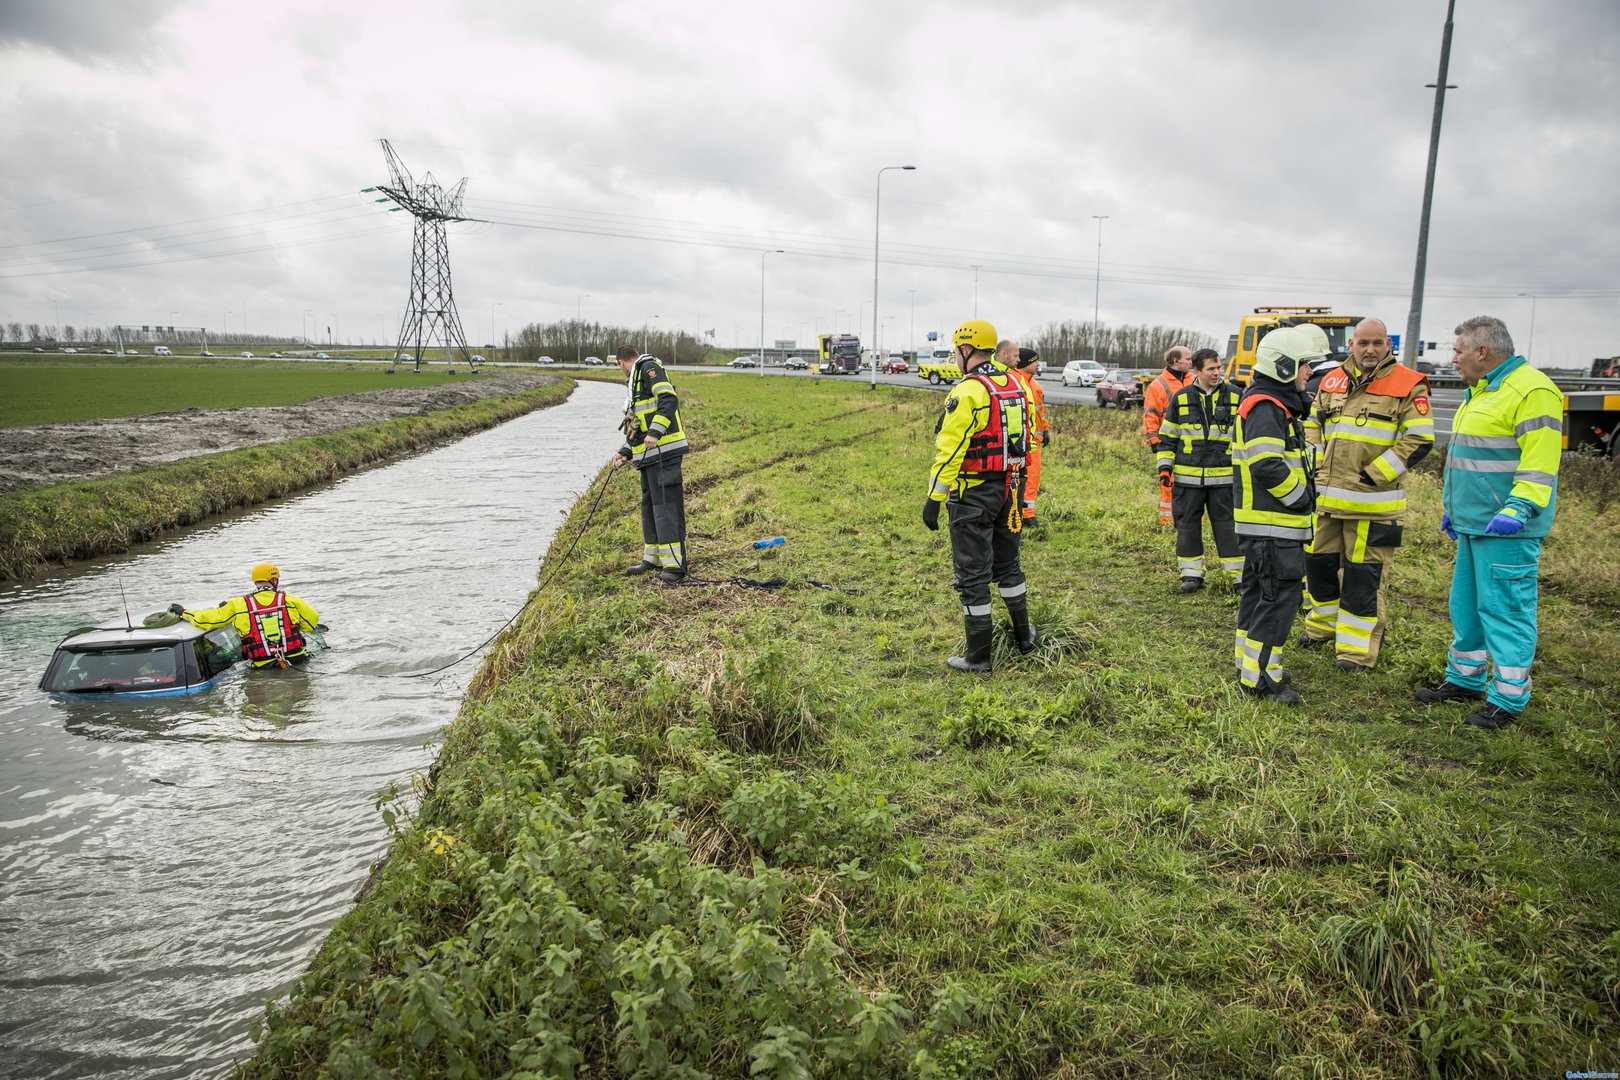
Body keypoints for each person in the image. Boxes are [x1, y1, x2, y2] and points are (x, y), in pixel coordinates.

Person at [1416, 316, 1562, 730]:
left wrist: (1518, 509)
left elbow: (1540, 463)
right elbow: (1472, 461)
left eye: (1458, 350)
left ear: (1482, 351)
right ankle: (1464, 679)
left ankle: (1508, 699)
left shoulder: (1532, 390)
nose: (1454, 358)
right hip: (1474, 524)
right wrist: (1455, 508)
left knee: (1506, 610)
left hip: (1507, 528)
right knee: (1467, 609)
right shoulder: (1481, 391)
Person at [1298, 318, 1433, 672]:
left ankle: (1356, 653)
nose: (1370, 350)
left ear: (1387, 344)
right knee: (1318, 568)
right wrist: (1315, 464)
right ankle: (1321, 629)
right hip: (1326, 502)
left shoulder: (1408, 384)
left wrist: (1373, 476)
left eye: (1377, 343)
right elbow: (1313, 424)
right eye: (1363, 343)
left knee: (1362, 578)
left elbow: (1419, 439)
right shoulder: (1331, 381)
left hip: (1372, 507)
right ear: (1352, 345)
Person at [923, 319, 1036, 672]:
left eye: (957, 352)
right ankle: (1024, 636)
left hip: (973, 494)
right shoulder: (1017, 386)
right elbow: (1029, 440)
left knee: (972, 575)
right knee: (1008, 565)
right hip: (1011, 490)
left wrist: (934, 498)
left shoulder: (967, 391)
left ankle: (978, 656)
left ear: (965, 350)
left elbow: (950, 448)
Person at [1232, 328, 1317, 704]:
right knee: (1278, 600)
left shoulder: (1271, 404)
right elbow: (1266, 464)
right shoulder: (1267, 406)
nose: (1309, 372)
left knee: (1258, 595)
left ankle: (1249, 665)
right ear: (1283, 367)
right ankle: (1262, 679)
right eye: (1304, 364)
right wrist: (1301, 499)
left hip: (1267, 526)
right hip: (1274, 525)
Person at [1156, 348, 1243, 592]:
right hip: (1187, 480)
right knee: (1188, 527)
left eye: (1219, 368)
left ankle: (1238, 577)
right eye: (1211, 369)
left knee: (1229, 528)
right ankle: (1192, 575)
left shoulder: (1237, 396)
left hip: (1225, 480)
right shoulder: (1181, 398)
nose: (1217, 373)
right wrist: (1164, 467)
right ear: (1197, 371)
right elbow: (1167, 438)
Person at [613, 346, 689, 584]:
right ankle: (654, 558)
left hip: (664, 453)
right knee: (650, 507)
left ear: (620, 363)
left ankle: (675, 567)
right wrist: (625, 451)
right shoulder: (635, 381)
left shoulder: (649, 368)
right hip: (648, 458)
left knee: (665, 507)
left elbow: (668, 400)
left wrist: (656, 432)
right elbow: (638, 423)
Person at [174, 563, 320, 669]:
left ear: (255, 581)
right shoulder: (290, 600)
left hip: (263, 666)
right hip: (297, 661)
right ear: (274, 580)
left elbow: (209, 619)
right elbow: (311, 623)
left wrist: (184, 613)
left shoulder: (238, 605)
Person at [1143, 344, 1195, 525]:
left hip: (1193, 443)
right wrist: (1155, 441)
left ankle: (1194, 520)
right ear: (1175, 360)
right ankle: (1167, 520)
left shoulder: (1194, 381)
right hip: (1169, 443)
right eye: (1188, 359)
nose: (1191, 362)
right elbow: (1150, 415)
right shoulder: (1158, 386)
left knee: (1194, 484)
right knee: (1169, 483)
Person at [1006, 346, 1050, 527]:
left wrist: (1045, 430)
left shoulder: (1035, 385)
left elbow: (1040, 413)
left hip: (1034, 443)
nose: (1038, 364)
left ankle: (1028, 514)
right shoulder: (1014, 382)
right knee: (1016, 480)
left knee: (1032, 479)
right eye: (1034, 361)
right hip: (1019, 444)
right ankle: (1015, 514)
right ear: (1025, 364)